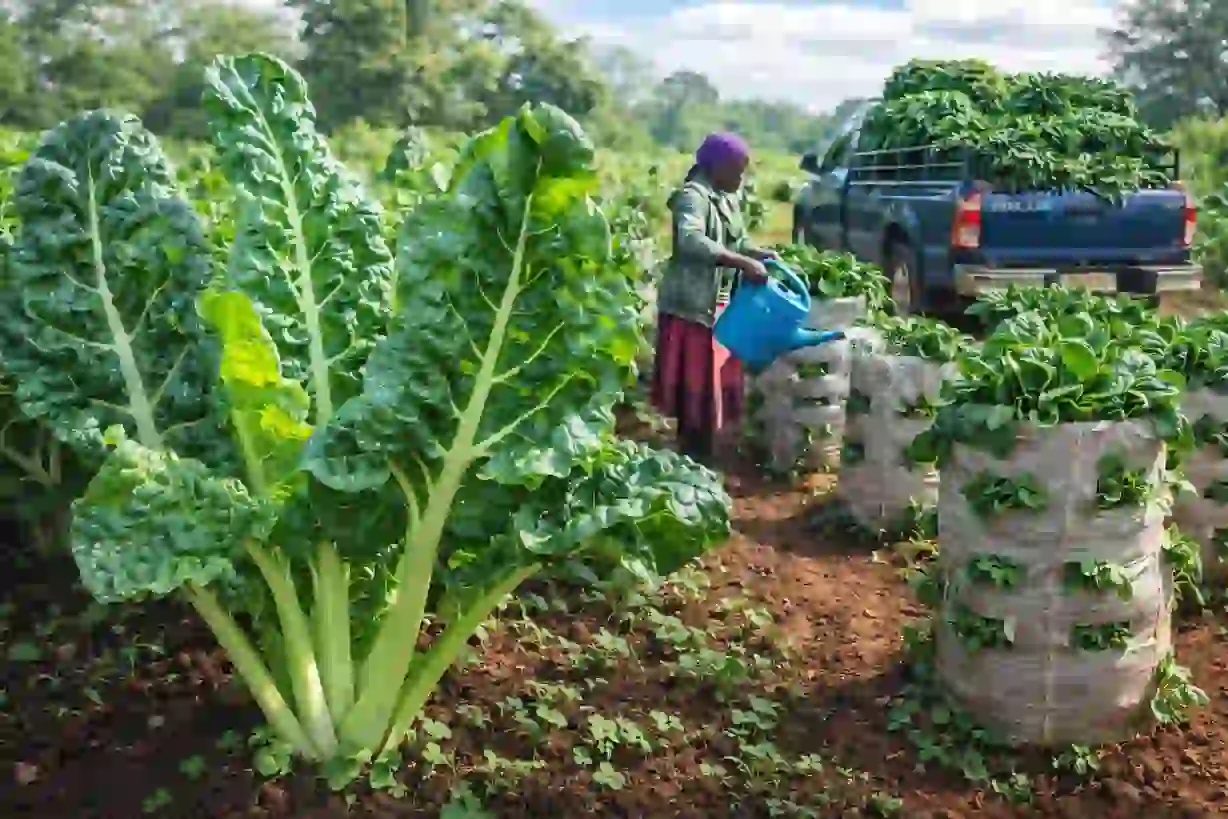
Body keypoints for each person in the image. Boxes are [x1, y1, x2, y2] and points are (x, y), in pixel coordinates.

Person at [651, 132, 778, 463]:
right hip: (692, 307)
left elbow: (738, 241)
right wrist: (738, 261)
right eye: (737, 170)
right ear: (716, 167)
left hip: (719, 305)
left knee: (712, 384)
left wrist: (758, 254)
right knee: (694, 389)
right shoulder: (693, 197)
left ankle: (701, 451)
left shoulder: (727, 198)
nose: (741, 178)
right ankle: (692, 453)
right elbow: (690, 239)